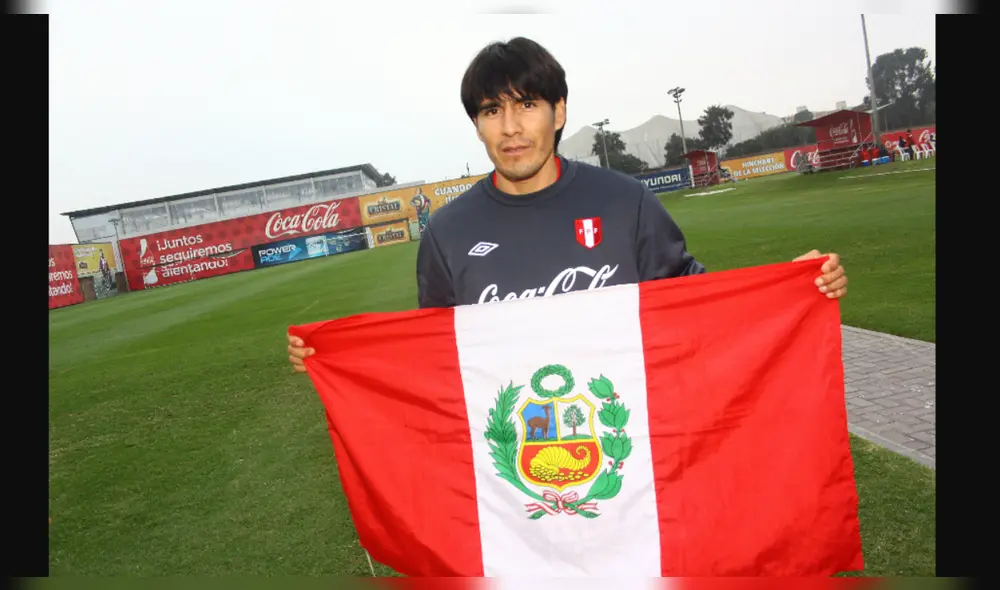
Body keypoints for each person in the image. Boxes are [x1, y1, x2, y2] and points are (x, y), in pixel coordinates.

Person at [287, 37, 848, 371]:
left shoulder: (624, 202)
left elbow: (696, 304)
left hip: (632, 452)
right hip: (520, 472)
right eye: (489, 111)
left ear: (558, 111)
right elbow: (436, 356)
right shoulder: (448, 233)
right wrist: (337, 355)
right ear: (476, 125)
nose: (510, 128)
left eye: (526, 104)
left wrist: (789, 290)